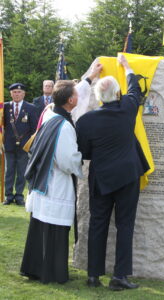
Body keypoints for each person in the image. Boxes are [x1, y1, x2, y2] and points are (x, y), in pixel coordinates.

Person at [20, 63, 102, 284]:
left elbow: (72, 96)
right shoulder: (64, 127)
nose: (77, 97)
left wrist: (89, 79)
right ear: (71, 101)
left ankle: (36, 268)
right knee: (55, 228)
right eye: (75, 94)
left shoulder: (50, 114)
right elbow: (67, 161)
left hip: (43, 182)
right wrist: (82, 158)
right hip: (56, 183)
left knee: (41, 227)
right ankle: (52, 273)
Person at [76, 55, 149, 291]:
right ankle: (119, 276)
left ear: (98, 97)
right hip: (128, 175)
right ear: (117, 94)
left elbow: (85, 152)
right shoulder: (127, 109)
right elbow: (135, 90)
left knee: (98, 223)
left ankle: (93, 275)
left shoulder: (86, 121)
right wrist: (127, 68)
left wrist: (91, 76)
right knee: (125, 225)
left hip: (101, 177)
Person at [3, 83, 38, 206]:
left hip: (24, 145)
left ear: (24, 94)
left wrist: (32, 144)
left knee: (22, 171)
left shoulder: (31, 108)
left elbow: (34, 128)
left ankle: (19, 196)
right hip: (9, 144)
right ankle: (8, 195)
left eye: (19, 92)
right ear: (10, 93)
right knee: (9, 171)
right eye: (14, 92)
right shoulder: (5, 107)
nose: (17, 94)